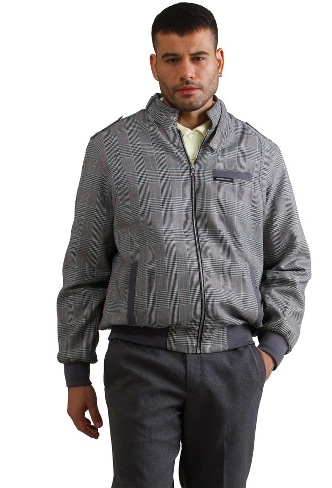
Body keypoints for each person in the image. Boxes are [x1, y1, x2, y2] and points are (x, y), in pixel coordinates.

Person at [57, 2, 311, 487]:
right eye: (172, 59)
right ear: (154, 64)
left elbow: (290, 260)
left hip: (232, 365)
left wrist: (270, 350)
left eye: (198, 57)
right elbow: (85, 266)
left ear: (220, 60)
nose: (187, 72)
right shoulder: (112, 150)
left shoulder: (259, 154)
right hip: (140, 364)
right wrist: (76, 369)